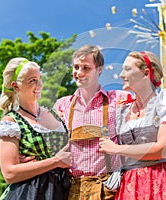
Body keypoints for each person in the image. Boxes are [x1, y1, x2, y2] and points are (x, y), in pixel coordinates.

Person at [99, 51, 166, 199]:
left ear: (146, 73)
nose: (121, 75)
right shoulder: (122, 111)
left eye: (127, 69)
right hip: (130, 185)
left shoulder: (165, 100)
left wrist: (117, 149)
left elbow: (162, 149)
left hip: (162, 181)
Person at [53, 45, 129, 200]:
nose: (79, 73)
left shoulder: (118, 99)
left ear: (99, 70)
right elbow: (51, 145)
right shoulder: (62, 105)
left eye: (86, 68)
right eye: (76, 67)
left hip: (109, 190)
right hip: (73, 190)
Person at [0, 57, 71, 200]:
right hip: (31, 193)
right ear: (16, 86)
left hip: (64, 190)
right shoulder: (12, 121)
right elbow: (9, 173)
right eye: (32, 81)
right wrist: (55, 161)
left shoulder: (58, 114)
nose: (39, 85)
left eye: (39, 78)